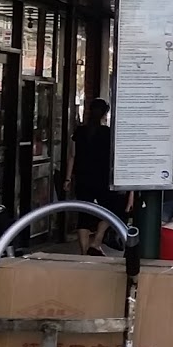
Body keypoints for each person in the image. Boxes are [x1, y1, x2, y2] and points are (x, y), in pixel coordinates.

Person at [65, 99, 123, 255]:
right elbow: (113, 157)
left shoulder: (80, 131)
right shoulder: (107, 133)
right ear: (105, 113)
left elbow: (72, 155)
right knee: (112, 209)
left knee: (83, 213)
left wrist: (68, 178)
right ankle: (97, 241)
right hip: (102, 177)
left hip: (83, 178)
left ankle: (84, 252)